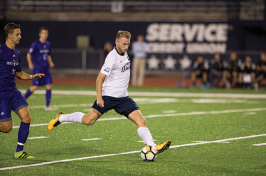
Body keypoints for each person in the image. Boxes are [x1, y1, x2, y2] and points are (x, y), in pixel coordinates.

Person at [48, 30, 171, 154]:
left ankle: (153, 146)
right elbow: (100, 78)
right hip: (108, 96)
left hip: (123, 98)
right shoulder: (112, 57)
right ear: (116, 43)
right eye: (124, 44)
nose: (126, 47)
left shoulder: (124, 52)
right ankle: (61, 118)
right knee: (88, 120)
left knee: (141, 121)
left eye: (128, 44)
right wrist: (99, 97)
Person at [0, 23, 45, 158]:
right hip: (2, 94)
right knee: (7, 128)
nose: (20, 36)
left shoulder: (16, 54)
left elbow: (19, 74)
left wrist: (32, 76)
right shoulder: (1, 51)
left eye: (20, 33)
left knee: (26, 117)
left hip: (13, 92)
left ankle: (19, 152)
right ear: (9, 35)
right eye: (17, 34)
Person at [24, 27, 55, 111]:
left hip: (46, 69)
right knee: (35, 87)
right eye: (43, 33)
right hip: (38, 69)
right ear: (40, 34)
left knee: (49, 85)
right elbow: (29, 54)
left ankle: (47, 106)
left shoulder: (48, 44)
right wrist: (30, 63)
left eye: (46, 33)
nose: (45, 35)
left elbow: (48, 55)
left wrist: (50, 62)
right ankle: (21, 101)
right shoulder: (35, 44)